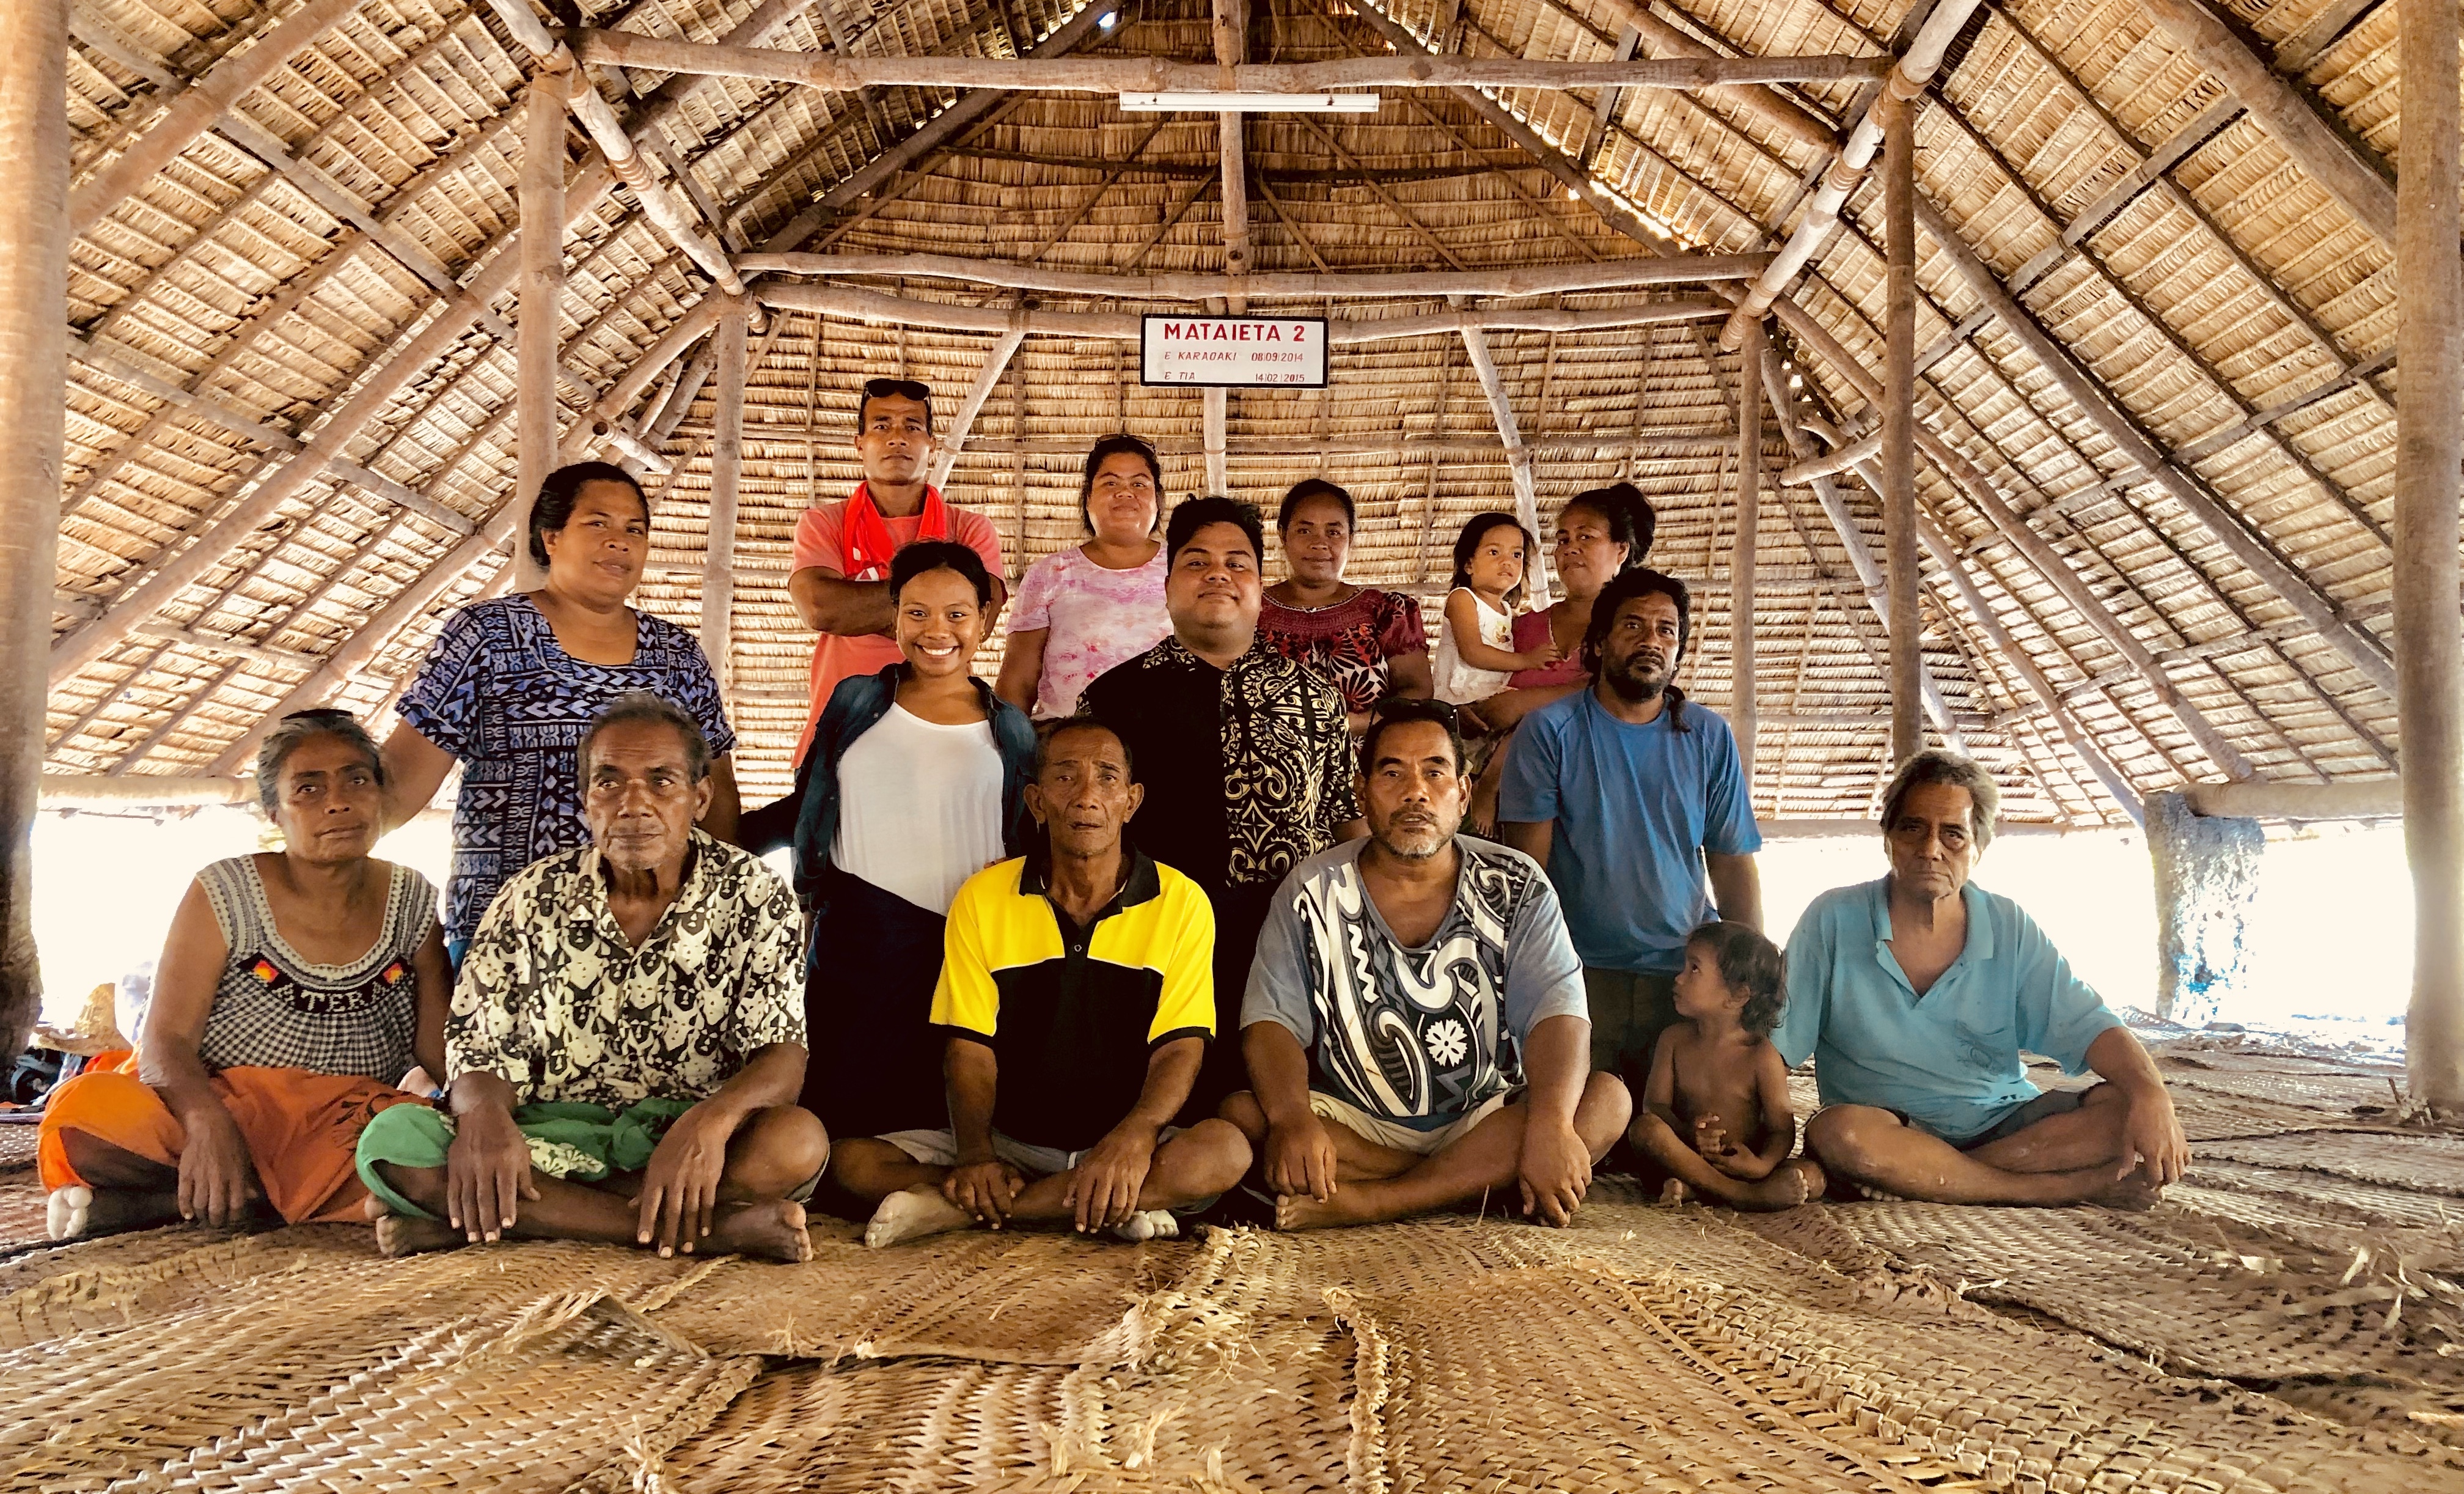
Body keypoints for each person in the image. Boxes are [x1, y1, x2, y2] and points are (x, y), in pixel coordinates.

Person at [356, 693, 826, 1262]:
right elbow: (480, 1048)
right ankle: (705, 1231)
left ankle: (492, 1219)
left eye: (661, 782)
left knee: (796, 1143)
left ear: (699, 799)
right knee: (394, 1141)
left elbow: (782, 1054)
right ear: (586, 801)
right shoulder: (530, 896)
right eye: (609, 783)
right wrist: (485, 1115)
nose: (634, 804)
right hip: (544, 1138)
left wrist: (711, 1120)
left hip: (683, 1138)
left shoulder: (752, 892)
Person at [832, 718, 1252, 1247]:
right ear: (1035, 801)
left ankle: (966, 1211)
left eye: (1106, 778)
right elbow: (968, 1047)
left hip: (1125, 1140)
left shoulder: (1182, 901)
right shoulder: (984, 898)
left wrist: (1134, 1136)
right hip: (1013, 1144)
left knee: (1224, 1151)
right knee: (852, 1161)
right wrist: (978, 1155)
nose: (1086, 797)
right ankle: (1101, 1203)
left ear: (1132, 801)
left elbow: (1180, 1046)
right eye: (1064, 777)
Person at [39, 711, 449, 1240]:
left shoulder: (412, 898)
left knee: (416, 1152)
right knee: (88, 1116)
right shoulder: (225, 891)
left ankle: (189, 1202)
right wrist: (208, 1125)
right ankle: (258, 1193)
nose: (339, 801)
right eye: (308, 788)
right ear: (275, 812)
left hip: (343, 1123)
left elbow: (438, 1046)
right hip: (219, 1103)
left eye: (357, 779)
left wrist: (483, 1111)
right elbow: (165, 1042)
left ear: (379, 792)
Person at [1225, 701, 1630, 1231]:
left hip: (1486, 1116)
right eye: (1392, 772)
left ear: (1463, 793)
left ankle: (1378, 1201)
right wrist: (1294, 1119)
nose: (1416, 791)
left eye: (1435, 772)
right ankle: (1469, 1183)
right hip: (1358, 1123)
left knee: (1607, 1100)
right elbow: (1271, 1021)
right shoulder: (1311, 888)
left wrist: (1551, 1124)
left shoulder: (1517, 883)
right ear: (1362, 792)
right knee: (1246, 1116)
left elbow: (1559, 1013)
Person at [1777, 750, 2188, 1207]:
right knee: (1840, 1133)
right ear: (1888, 837)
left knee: (2125, 1111)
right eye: (1913, 828)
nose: (1931, 849)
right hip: (1886, 1128)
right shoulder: (1832, 918)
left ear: (1979, 848)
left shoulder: (2008, 924)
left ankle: (1930, 1177)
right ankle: (2054, 1189)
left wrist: (2152, 1094)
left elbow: (2092, 1026)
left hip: (2005, 1124)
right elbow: (1775, 1047)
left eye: (1953, 834)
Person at [1078, 496, 1366, 1120]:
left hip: (1290, 943)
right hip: (1157, 941)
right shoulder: (1114, 698)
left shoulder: (1315, 696)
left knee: (1275, 1110)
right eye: (1196, 561)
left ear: (1260, 586)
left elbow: (1348, 819)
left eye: (1237, 563)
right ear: (1168, 583)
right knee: (1164, 1107)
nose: (1217, 574)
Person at [381, 462, 738, 961]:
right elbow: (399, 782)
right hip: (508, 931)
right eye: (598, 523)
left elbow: (717, 799)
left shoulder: (677, 654)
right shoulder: (485, 635)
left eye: (635, 529)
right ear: (550, 536)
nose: (620, 541)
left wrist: (706, 910)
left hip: (651, 939)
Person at [795, 542, 1038, 1139]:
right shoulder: (855, 700)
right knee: (843, 1114)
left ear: (984, 618)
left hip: (965, 945)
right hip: (858, 940)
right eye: (917, 612)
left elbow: (1026, 837)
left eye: (957, 613)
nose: (938, 630)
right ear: (894, 616)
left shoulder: (1011, 726)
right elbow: (809, 799)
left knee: (948, 1119)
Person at [1497, 567, 1762, 1107]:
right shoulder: (1549, 733)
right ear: (1598, 643)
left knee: (1717, 1132)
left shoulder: (1708, 736)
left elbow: (1732, 862)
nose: (1652, 642)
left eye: (1667, 631)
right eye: (1634, 626)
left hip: (1687, 978)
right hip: (1580, 976)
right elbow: (1531, 878)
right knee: (1576, 1122)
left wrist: (1751, 976)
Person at [739, 377, 1010, 854]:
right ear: (860, 443)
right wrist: (933, 610)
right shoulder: (824, 522)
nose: (897, 436)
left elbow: (981, 619)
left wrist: (863, 605)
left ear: (932, 443)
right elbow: (822, 607)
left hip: (940, 747)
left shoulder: (971, 528)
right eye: (881, 424)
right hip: (835, 745)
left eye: (913, 426)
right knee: (828, 899)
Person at [1627, 921, 1823, 1212]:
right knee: (1645, 1130)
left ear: (1738, 996)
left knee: (1813, 1176)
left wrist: (1759, 1166)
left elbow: (1782, 1130)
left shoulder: (1761, 1055)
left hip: (1744, 1163)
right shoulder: (1673, 1040)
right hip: (1686, 1157)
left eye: (1694, 969)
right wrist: (1687, 1134)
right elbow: (1654, 1107)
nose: (1679, 978)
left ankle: (1700, 1189)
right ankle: (1740, 1195)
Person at [996, 434, 1170, 720]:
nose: (1125, 493)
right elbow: (1019, 681)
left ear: (1158, 500)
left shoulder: (1184, 568)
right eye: (1110, 483)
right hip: (1066, 747)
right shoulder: (1049, 574)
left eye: (1139, 484)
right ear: (1088, 498)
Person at [1465, 482, 1656, 739]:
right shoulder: (1518, 630)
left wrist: (1525, 702)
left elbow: (1639, 694)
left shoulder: (1639, 631)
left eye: (1586, 537)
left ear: (1621, 550)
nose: (1570, 548)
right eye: (1563, 540)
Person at [1256, 479, 1432, 734]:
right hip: (1268, 766)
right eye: (1305, 531)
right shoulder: (1250, 611)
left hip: (1368, 767)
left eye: (1334, 532)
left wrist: (1349, 725)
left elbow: (1417, 691)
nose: (1319, 543)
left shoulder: (1387, 612)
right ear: (1283, 534)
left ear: (1352, 538)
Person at [1431, 513, 1556, 708]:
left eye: (1517, 555)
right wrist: (1526, 660)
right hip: (1459, 702)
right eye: (1494, 552)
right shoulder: (1463, 599)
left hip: (1490, 698)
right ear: (1469, 564)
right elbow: (1473, 652)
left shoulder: (1507, 611)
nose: (1507, 562)